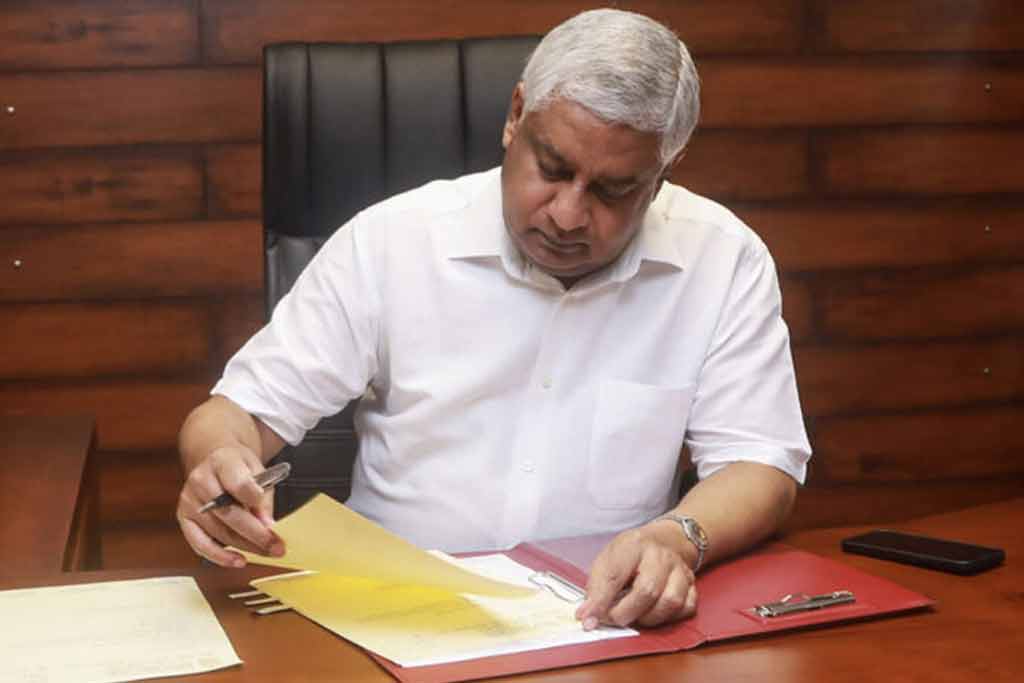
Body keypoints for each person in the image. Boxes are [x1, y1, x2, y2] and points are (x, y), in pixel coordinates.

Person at [176, 8, 811, 630]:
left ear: (666, 168)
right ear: (515, 116)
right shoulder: (391, 242)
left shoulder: (722, 258)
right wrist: (221, 462)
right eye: (552, 169)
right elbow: (234, 416)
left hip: (601, 621)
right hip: (387, 612)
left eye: (613, 190)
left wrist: (677, 537)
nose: (567, 215)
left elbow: (760, 464)